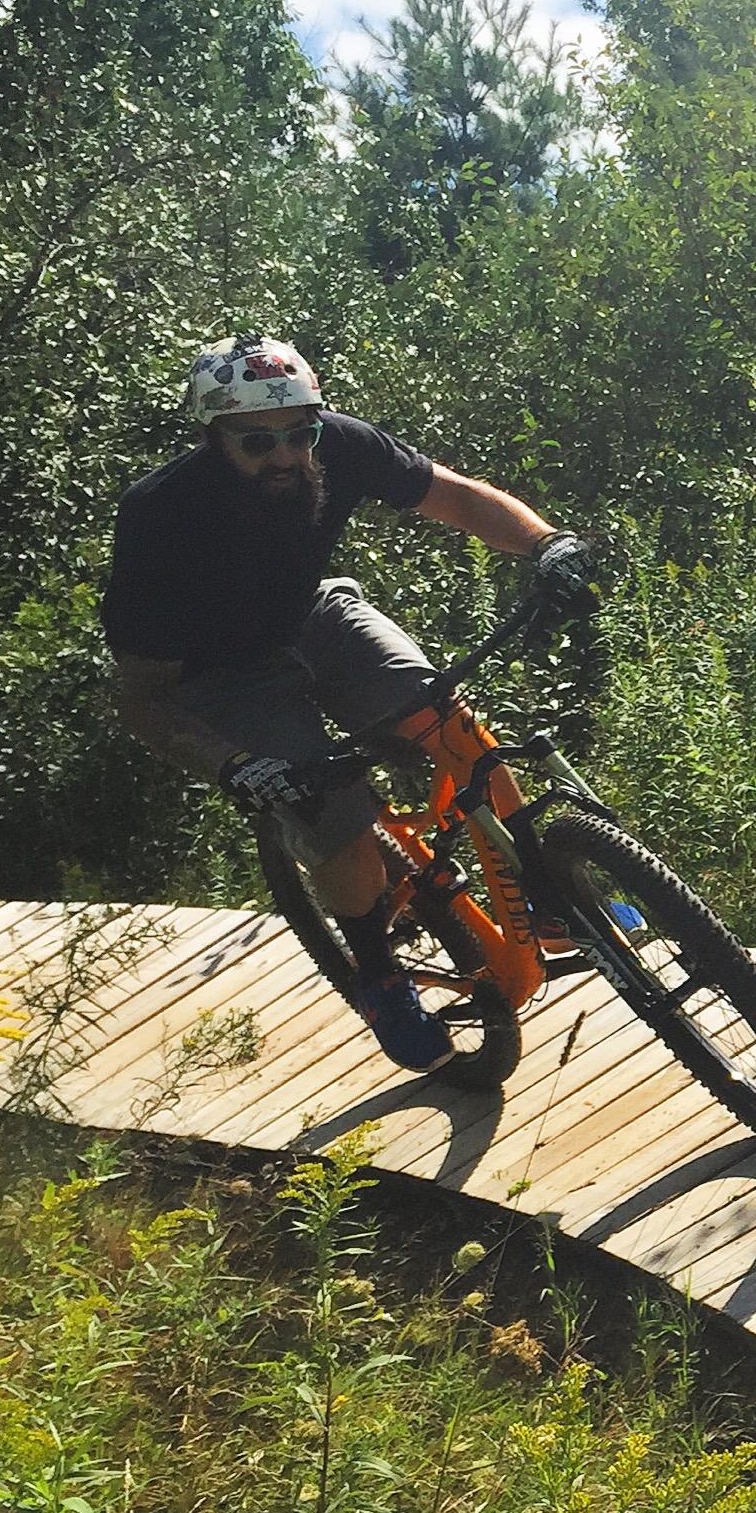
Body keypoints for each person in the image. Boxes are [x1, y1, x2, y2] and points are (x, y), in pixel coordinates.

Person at [101, 333, 595, 1074]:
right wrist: (236, 765)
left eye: (300, 433)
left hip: (313, 618)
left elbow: (454, 495)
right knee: (329, 814)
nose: (285, 455)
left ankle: (543, 892)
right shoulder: (158, 519)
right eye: (258, 441)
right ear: (212, 437)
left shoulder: (342, 447)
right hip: (218, 675)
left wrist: (544, 543)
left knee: (448, 718)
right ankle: (379, 975)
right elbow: (140, 698)